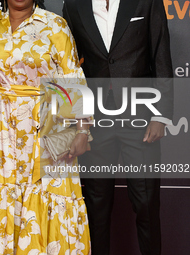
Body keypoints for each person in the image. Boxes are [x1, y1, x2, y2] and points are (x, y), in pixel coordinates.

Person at [0, 0, 91, 254]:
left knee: (50, 193)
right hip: (3, 128)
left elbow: (74, 79)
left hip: (50, 123)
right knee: (2, 189)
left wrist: (82, 130)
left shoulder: (55, 25)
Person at [63, 0, 173, 254]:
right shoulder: (73, 6)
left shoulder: (147, 2)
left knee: (146, 203)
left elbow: (161, 55)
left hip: (140, 118)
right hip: (95, 120)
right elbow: (69, 66)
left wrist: (161, 115)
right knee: (96, 206)